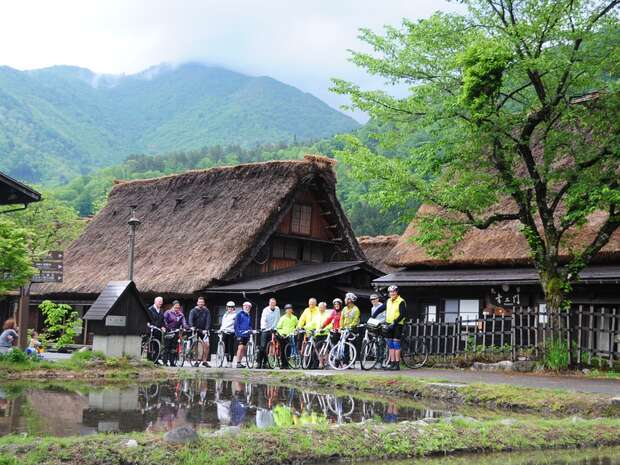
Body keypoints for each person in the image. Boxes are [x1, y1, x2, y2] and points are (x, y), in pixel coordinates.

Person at [385, 285, 407, 371]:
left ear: (397, 292)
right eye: (390, 292)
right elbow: (382, 308)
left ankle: (397, 364)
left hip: (397, 325)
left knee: (396, 344)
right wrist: (373, 316)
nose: (392, 293)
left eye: (393, 291)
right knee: (390, 345)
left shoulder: (401, 301)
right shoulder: (388, 301)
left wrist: (395, 321)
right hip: (389, 324)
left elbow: (403, 314)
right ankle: (392, 363)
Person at [188, 296, 211, 367]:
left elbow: (208, 320)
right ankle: (196, 361)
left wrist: (206, 329)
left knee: (207, 345)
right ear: (197, 303)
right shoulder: (193, 311)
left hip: (204, 330)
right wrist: (192, 326)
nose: (201, 303)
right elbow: (190, 320)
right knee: (195, 345)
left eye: (202, 302)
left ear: (204, 303)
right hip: (195, 329)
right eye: (199, 302)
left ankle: (204, 361)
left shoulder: (206, 310)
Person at [163, 301, 188, 366]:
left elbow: (184, 322)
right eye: (175, 307)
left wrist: (186, 327)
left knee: (174, 348)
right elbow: (164, 320)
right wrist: (167, 327)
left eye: (178, 308)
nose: (177, 309)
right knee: (167, 347)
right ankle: (165, 362)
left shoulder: (181, 314)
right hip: (168, 332)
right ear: (172, 306)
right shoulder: (168, 312)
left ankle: (172, 362)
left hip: (176, 332)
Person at [257, 298, 280, 369]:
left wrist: (276, 328)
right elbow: (263, 319)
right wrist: (263, 327)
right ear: (269, 303)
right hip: (265, 329)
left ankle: (266, 363)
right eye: (271, 303)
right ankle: (259, 362)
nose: (273, 304)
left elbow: (278, 319)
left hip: (273, 329)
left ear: (275, 303)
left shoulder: (277, 309)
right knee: (263, 346)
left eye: (274, 303)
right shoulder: (265, 310)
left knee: (271, 347)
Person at [275, 304, 298, 368]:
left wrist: (296, 330)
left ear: (292, 310)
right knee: (283, 350)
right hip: (283, 336)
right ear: (285, 311)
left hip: (290, 335)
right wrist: (282, 334)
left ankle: (287, 364)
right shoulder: (282, 318)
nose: (289, 310)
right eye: (287, 309)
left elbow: (297, 325)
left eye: (290, 309)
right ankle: (283, 364)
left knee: (288, 351)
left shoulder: (294, 318)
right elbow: (278, 328)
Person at [234, 301, 253, 368]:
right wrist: (238, 333)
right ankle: (238, 362)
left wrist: (251, 330)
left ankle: (240, 363)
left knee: (244, 348)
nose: (247, 308)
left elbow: (250, 325)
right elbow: (236, 324)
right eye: (246, 306)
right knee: (240, 347)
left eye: (249, 307)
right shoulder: (239, 314)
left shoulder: (249, 315)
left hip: (246, 334)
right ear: (243, 306)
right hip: (240, 334)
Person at [220, 301, 238, 367]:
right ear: (227, 307)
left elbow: (235, 324)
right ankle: (227, 361)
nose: (230, 308)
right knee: (225, 348)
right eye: (229, 307)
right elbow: (223, 323)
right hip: (224, 332)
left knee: (231, 348)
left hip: (231, 332)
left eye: (232, 307)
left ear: (234, 308)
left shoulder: (235, 315)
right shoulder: (225, 315)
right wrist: (221, 329)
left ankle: (231, 361)